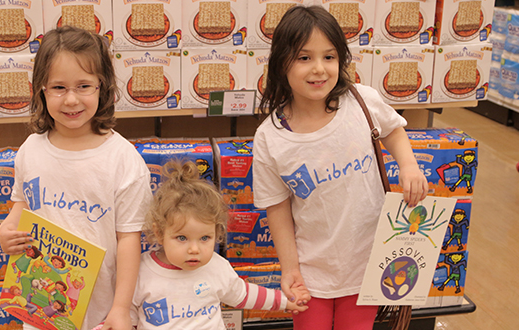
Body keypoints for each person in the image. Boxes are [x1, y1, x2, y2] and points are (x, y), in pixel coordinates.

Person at [252, 6, 428, 330]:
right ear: (281, 64)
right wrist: (290, 269)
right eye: (304, 58)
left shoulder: (361, 101)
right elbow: (276, 208)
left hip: (368, 264)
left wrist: (409, 165)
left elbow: (391, 129)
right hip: (311, 271)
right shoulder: (270, 138)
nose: (319, 69)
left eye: (329, 57)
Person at [0, 26, 153, 330]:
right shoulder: (31, 150)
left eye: (84, 86)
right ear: (41, 89)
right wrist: (7, 230)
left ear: (102, 87)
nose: (71, 100)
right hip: (41, 309)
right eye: (58, 88)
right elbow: (21, 207)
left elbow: (129, 239)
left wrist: (121, 308)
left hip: (103, 311)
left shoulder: (122, 159)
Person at [130, 160, 310, 330]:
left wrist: (285, 301)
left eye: (205, 238)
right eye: (182, 238)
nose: (195, 249)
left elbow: (243, 294)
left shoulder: (216, 267)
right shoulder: (140, 272)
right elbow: (125, 315)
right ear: (159, 233)